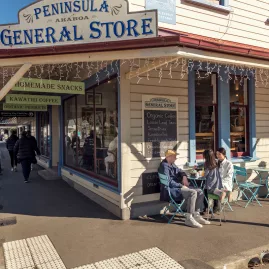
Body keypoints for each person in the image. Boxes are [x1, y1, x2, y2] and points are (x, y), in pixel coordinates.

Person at [158, 149, 210, 228]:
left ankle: (196, 214)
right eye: (174, 156)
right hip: (172, 190)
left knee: (199, 191)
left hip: (178, 187)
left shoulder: (172, 164)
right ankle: (189, 218)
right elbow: (169, 182)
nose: (176, 158)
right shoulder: (164, 166)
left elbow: (180, 170)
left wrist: (184, 176)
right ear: (169, 157)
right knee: (193, 192)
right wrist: (181, 185)